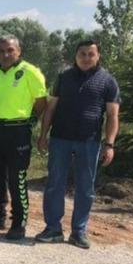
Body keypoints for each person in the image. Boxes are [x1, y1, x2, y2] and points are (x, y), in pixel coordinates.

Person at [36, 40, 120, 249]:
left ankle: (79, 231)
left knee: (85, 187)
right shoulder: (64, 77)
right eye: (82, 53)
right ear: (76, 56)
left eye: (90, 54)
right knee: (55, 183)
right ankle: (53, 228)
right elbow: (51, 108)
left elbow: (112, 115)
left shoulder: (107, 81)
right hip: (60, 139)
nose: (86, 57)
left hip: (89, 142)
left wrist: (109, 144)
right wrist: (43, 134)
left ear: (98, 56)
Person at [0, 35, 47, 240]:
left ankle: (19, 222)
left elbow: (42, 101)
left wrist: (31, 120)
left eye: (10, 50)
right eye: (1, 51)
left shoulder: (30, 72)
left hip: (18, 131)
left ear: (19, 50)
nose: (5, 54)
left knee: (17, 178)